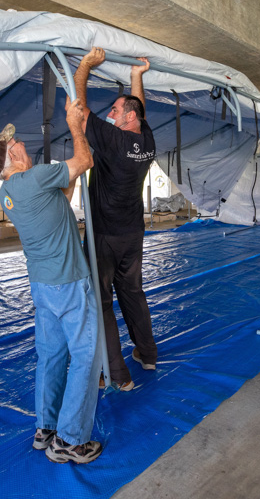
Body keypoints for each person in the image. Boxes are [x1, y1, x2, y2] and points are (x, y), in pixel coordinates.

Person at [0, 96, 103, 464]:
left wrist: (68, 177)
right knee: (85, 357)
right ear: (13, 158)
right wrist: (74, 123)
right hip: (68, 281)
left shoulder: (9, 192)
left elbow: (61, 195)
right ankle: (70, 441)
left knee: (51, 355)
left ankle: (46, 427)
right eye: (17, 145)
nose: (23, 146)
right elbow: (85, 161)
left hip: (43, 287)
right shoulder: (34, 176)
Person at [73, 47, 157, 391]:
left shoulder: (113, 140)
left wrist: (83, 68)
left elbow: (79, 111)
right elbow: (140, 109)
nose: (110, 113)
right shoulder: (145, 140)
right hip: (132, 233)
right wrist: (136, 77)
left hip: (104, 234)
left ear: (127, 119)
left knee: (101, 301)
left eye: (115, 110)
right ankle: (148, 353)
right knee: (133, 293)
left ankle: (118, 374)